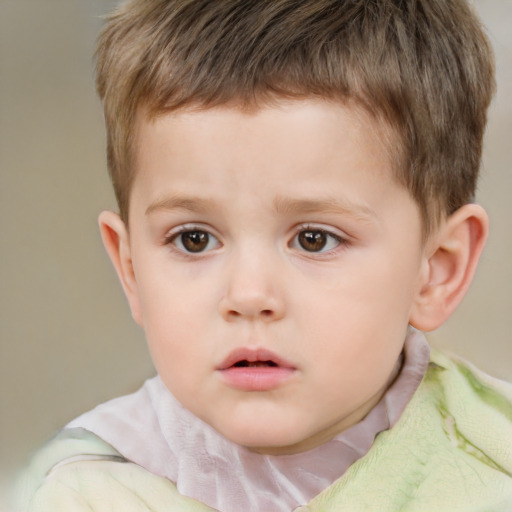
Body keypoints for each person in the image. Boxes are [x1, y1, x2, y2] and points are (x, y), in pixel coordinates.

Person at [15, 0, 512, 510]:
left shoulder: (491, 471)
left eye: (314, 239)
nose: (249, 295)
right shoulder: (90, 495)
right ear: (131, 270)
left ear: (437, 270)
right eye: (194, 239)